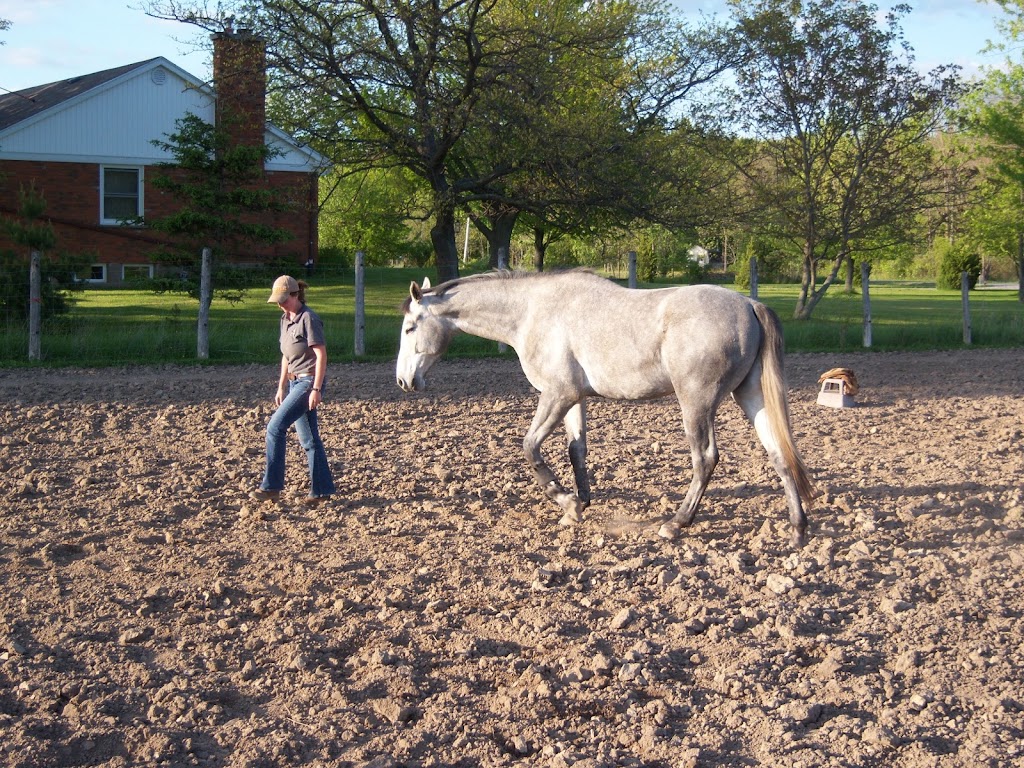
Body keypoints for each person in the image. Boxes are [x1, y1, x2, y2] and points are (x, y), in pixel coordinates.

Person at [251, 275, 336, 505]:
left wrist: (316, 388)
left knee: (275, 427)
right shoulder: (285, 319)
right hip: (293, 382)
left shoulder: (309, 318)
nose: (280, 304)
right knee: (309, 438)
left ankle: (271, 487)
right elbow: (286, 357)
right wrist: (281, 386)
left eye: (283, 299)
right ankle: (322, 490)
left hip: (308, 382)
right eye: (277, 300)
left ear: (295, 295)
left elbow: (321, 356)